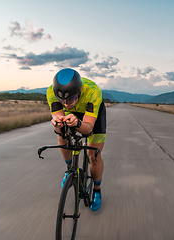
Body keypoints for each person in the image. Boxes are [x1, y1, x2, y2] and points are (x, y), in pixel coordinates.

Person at [46, 68, 106, 211]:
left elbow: (88, 129)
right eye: (62, 100)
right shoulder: (51, 93)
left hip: (91, 116)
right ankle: (69, 169)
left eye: (71, 99)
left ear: (79, 93)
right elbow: (58, 126)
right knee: (62, 136)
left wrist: (78, 124)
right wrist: (57, 126)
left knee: (94, 154)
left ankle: (97, 190)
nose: (66, 104)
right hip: (71, 114)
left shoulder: (93, 92)